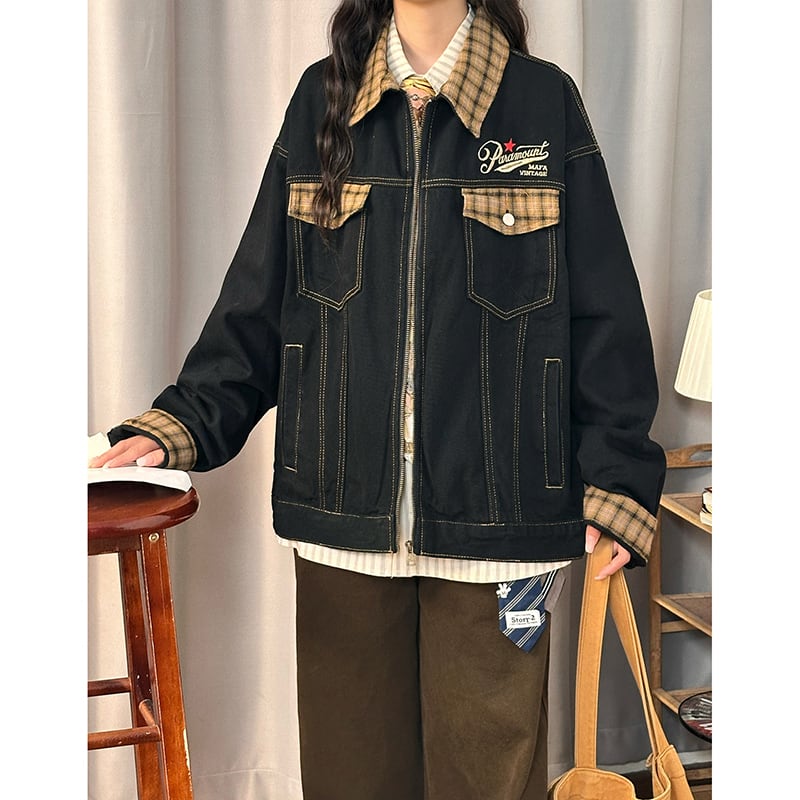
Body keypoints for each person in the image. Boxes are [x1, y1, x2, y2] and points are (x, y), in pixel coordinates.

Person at [90, 1, 666, 797]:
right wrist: (180, 424)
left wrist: (619, 481)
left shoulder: (542, 104)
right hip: (342, 521)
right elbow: (260, 308)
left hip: (503, 530)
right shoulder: (320, 99)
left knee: (488, 784)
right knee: (351, 783)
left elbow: (605, 316)